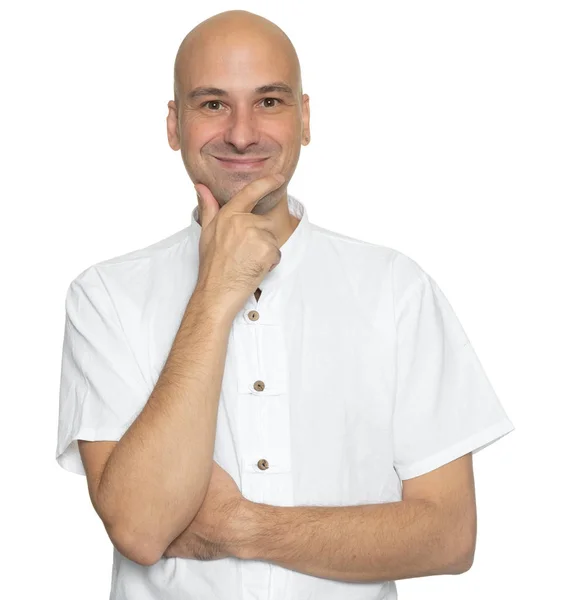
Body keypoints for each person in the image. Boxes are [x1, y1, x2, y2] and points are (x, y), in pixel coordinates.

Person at [55, 9, 515, 600]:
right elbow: (140, 529)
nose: (243, 134)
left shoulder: (396, 289)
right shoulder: (104, 297)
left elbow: (450, 537)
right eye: (212, 104)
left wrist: (239, 525)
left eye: (269, 102)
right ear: (174, 125)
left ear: (305, 119)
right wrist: (217, 288)